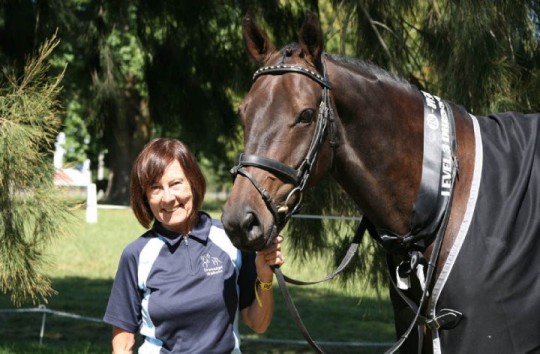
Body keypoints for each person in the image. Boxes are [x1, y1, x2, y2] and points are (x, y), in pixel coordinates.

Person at [103, 138, 285, 354]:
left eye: (175, 184)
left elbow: (258, 323)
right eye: (155, 188)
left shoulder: (231, 241)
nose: (168, 198)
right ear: (145, 196)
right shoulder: (137, 255)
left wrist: (264, 278)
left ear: (193, 181)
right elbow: (122, 345)